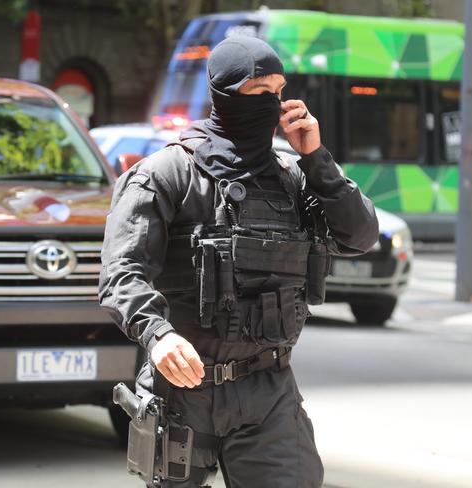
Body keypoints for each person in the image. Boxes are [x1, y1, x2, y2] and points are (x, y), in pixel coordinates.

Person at [99, 36, 378, 488]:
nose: (272, 102)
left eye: (279, 90)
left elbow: (360, 235)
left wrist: (315, 158)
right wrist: (158, 335)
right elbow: (122, 274)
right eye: (257, 91)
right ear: (225, 94)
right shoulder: (165, 175)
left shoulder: (291, 176)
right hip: (183, 391)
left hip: (269, 390)